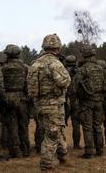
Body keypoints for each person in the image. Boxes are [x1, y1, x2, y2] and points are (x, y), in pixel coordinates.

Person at [28, 34, 71, 171]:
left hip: (39, 105)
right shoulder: (55, 63)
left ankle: (62, 155)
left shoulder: (34, 64)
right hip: (53, 104)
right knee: (52, 134)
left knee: (54, 131)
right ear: (57, 48)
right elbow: (64, 81)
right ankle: (46, 165)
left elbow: (30, 86)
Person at [75, 46, 106, 159]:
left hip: (86, 102)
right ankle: (100, 150)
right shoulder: (100, 68)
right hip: (99, 101)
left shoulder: (83, 69)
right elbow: (105, 85)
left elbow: (75, 85)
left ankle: (89, 152)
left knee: (87, 126)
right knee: (98, 126)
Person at [1, 44, 30, 158]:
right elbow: (29, 85)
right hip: (22, 98)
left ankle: (14, 151)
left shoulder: (3, 68)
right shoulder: (25, 67)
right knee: (23, 125)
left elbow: (0, 84)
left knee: (11, 125)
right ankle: (25, 150)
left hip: (8, 98)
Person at [65, 55, 82, 149]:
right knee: (76, 124)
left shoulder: (62, 70)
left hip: (64, 100)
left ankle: (61, 144)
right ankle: (76, 144)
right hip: (76, 100)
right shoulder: (79, 71)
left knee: (61, 124)